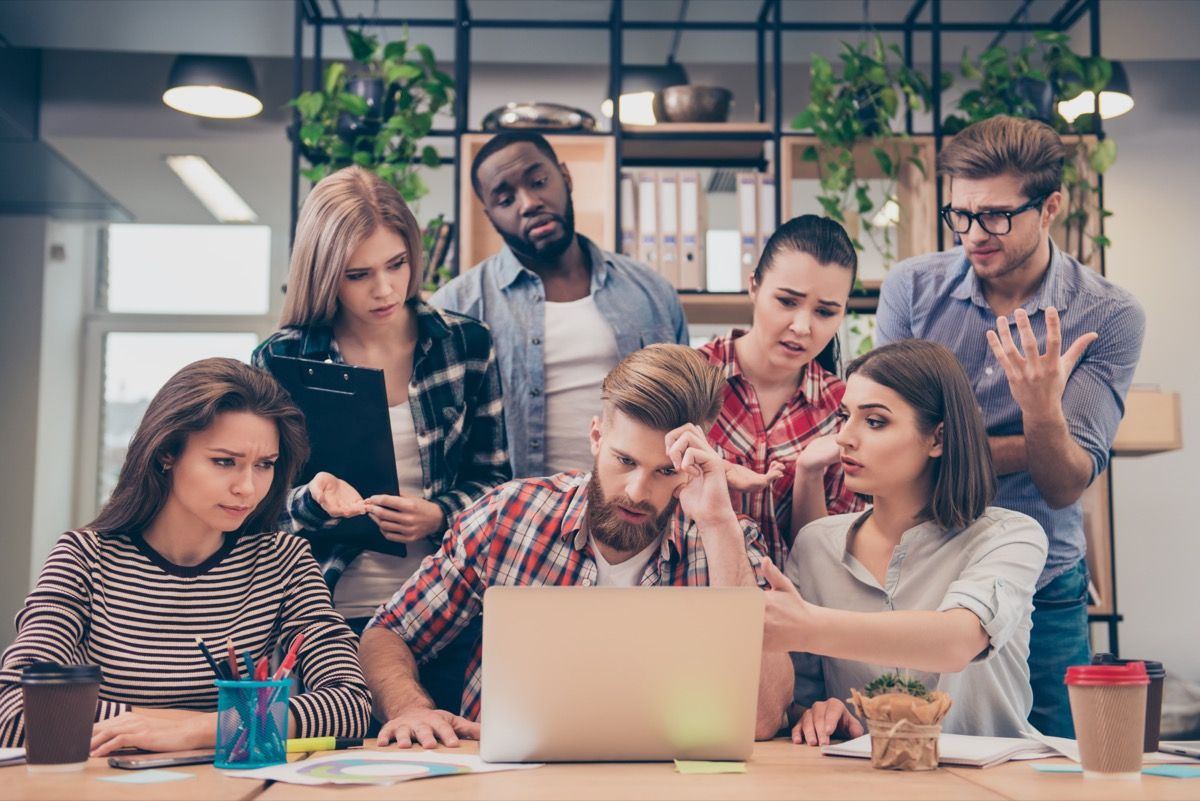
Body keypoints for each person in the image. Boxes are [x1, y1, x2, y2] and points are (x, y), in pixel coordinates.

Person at [358, 345, 793, 748]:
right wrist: (411, 710)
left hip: (662, 786)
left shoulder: (727, 542)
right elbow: (387, 633)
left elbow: (761, 717)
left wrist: (718, 524)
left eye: (665, 471)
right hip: (505, 782)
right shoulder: (507, 516)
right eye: (625, 461)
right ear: (596, 437)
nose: (638, 491)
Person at [875, 115, 1145, 737]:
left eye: (996, 215)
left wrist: (1041, 409)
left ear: (1050, 206)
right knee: (915, 753)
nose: (974, 234)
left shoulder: (1107, 313)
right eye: (960, 215)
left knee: (1058, 759)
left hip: (1044, 581)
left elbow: (1063, 485)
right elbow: (889, 442)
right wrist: (1028, 440)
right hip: (924, 564)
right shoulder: (913, 289)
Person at [0, 358, 371, 752]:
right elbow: (14, 712)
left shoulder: (284, 561)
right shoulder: (83, 558)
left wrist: (193, 731)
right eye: (224, 461)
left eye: (264, 465)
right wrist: (233, 722)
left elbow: (350, 706)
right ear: (167, 454)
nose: (247, 487)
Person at [253, 166, 510, 642]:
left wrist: (439, 513)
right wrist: (314, 500)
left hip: (447, 609)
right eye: (358, 275)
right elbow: (256, 506)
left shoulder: (468, 344)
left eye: (396, 264)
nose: (385, 289)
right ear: (325, 273)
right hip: (323, 613)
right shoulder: (282, 358)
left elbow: (496, 483)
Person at [758, 340, 1048, 743]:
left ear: (938, 439)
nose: (844, 437)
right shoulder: (815, 544)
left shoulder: (1010, 537)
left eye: (874, 421)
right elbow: (799, 698)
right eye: (845, 417)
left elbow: (957, 641)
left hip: (988, 783)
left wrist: (806, 626)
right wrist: (816, 711)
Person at [430, 131, 689, 479]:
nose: (529, 203)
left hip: (638, 512)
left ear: (565, 177)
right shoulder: (456, 307)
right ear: (489, 215)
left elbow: (686, 415)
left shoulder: (651, 291)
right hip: (515, 520)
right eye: (505, 200)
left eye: (538, 181)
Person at [699, 215, 864, 566]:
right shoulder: (688, 379)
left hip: (796, 608)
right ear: (754, 286)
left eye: (824, 311)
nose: (802, 327)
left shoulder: (847, 409)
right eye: (787, 302)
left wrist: (809, 473)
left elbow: (826, 559)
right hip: (691, 598)